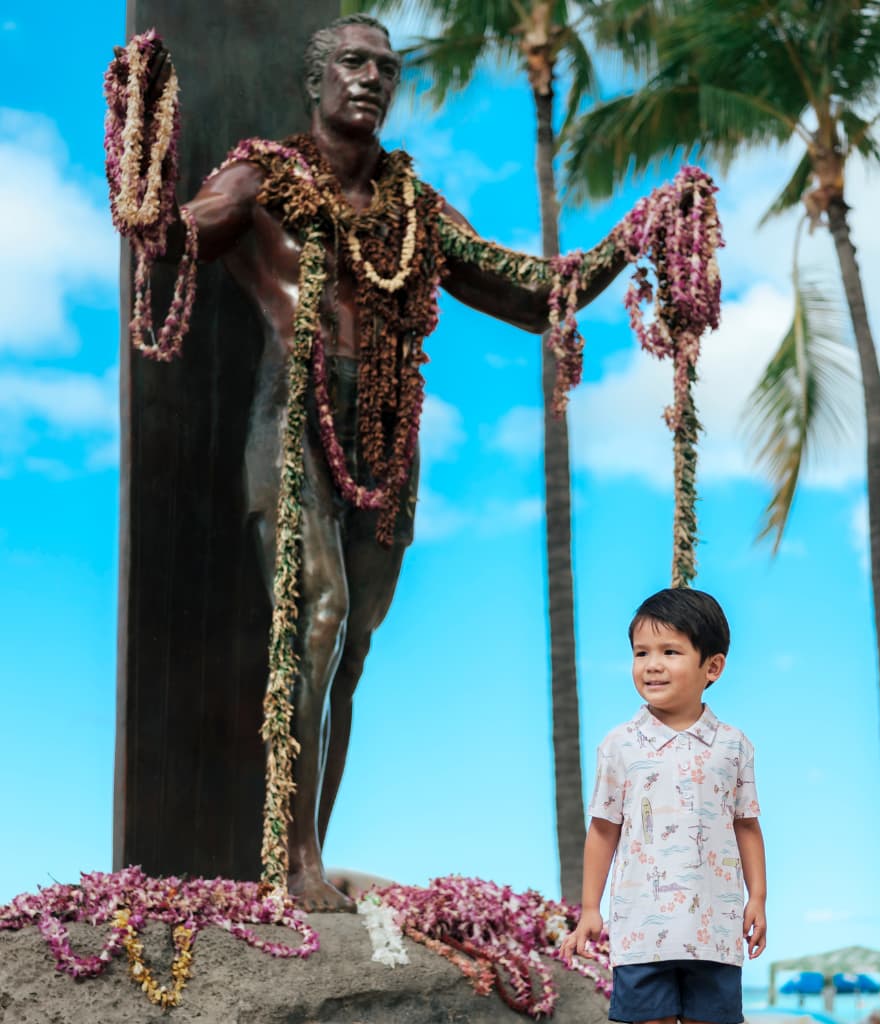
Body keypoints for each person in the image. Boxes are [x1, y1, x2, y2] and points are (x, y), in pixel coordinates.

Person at [119, 14, 623, 911]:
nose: (372, 78)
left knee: (350, 650)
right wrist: (138, 135)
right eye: (354, 62)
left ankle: (311, 842)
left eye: (387, 68)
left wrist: (639, 235)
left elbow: (540, 291)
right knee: (320, 613)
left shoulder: (416, 211)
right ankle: (294, 859)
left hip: (388, 436)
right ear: (316, 80)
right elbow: (167, 236)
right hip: (292, 417)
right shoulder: (263, 178)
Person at [560, 588, 766, 1024]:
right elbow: (602, 830)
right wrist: (591, 908)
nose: (652, 664)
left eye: (670, 651)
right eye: (641, 653)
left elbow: (746, 825)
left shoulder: (733, 747)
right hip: (640, 932)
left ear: (712, 666)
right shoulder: (619, 745)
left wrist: (758, 898)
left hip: (715, 930)